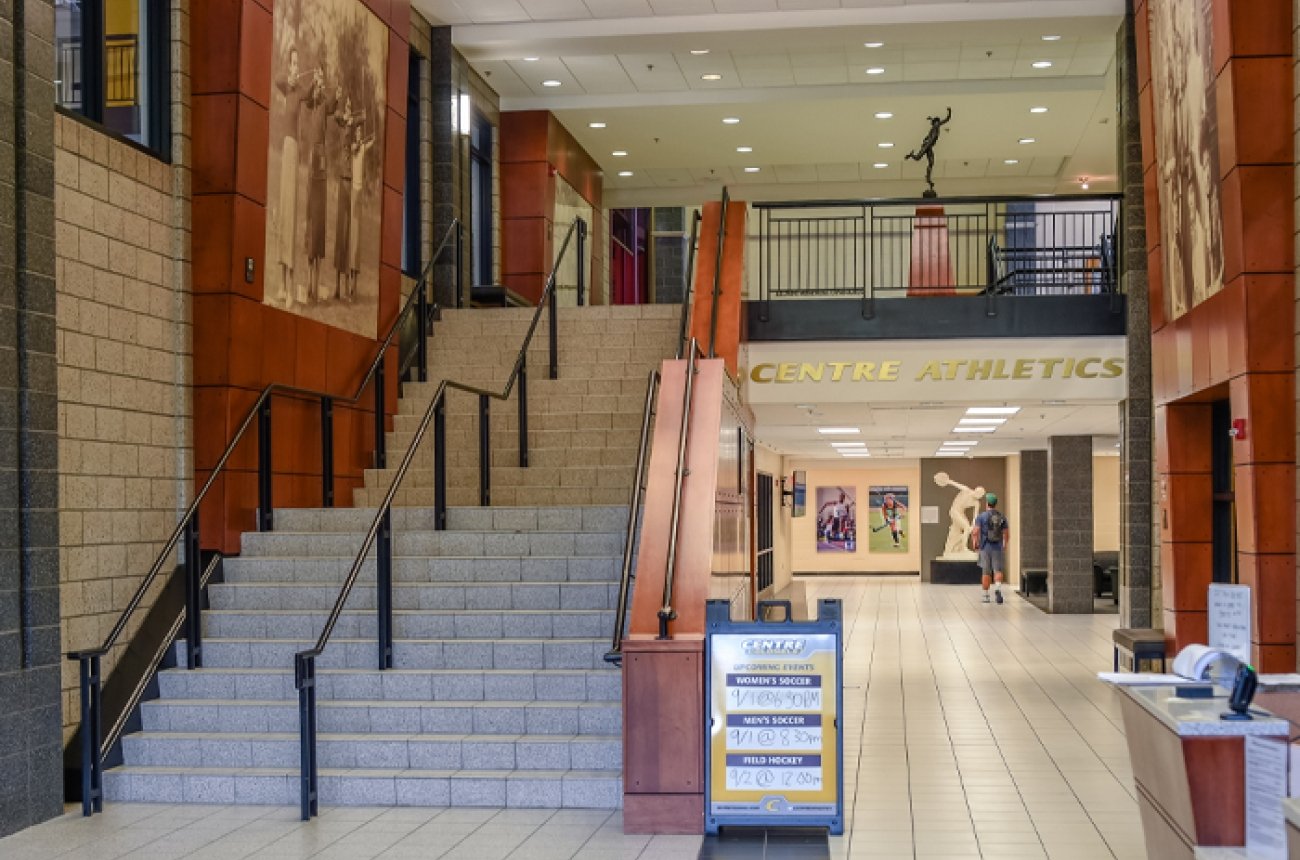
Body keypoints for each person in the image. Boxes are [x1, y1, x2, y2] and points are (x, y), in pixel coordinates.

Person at [971, 492, 1011, 604]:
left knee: (986, 572)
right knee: (998, 570)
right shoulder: (1002, 517)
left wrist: (975, 543)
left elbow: (975, 532)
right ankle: (997, 589)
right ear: (995, 504)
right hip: (998, 547)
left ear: (987, 503)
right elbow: (1006, 534)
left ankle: (985, 595)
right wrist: (1004, 544)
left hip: (985, 547)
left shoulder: (981, 516)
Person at [933, 471, 983, 558]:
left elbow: (975, 516)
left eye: (980, 495)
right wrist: (947, 481)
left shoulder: (976, 503)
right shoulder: (967, 490)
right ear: (975, 491)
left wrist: (973, 525)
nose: (978, 496)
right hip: (954, 511)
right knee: (966, 527)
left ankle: (953, 548)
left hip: (961, 512)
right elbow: (956, 484)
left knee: (960, 530)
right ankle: (963, 548)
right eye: (978, 493)